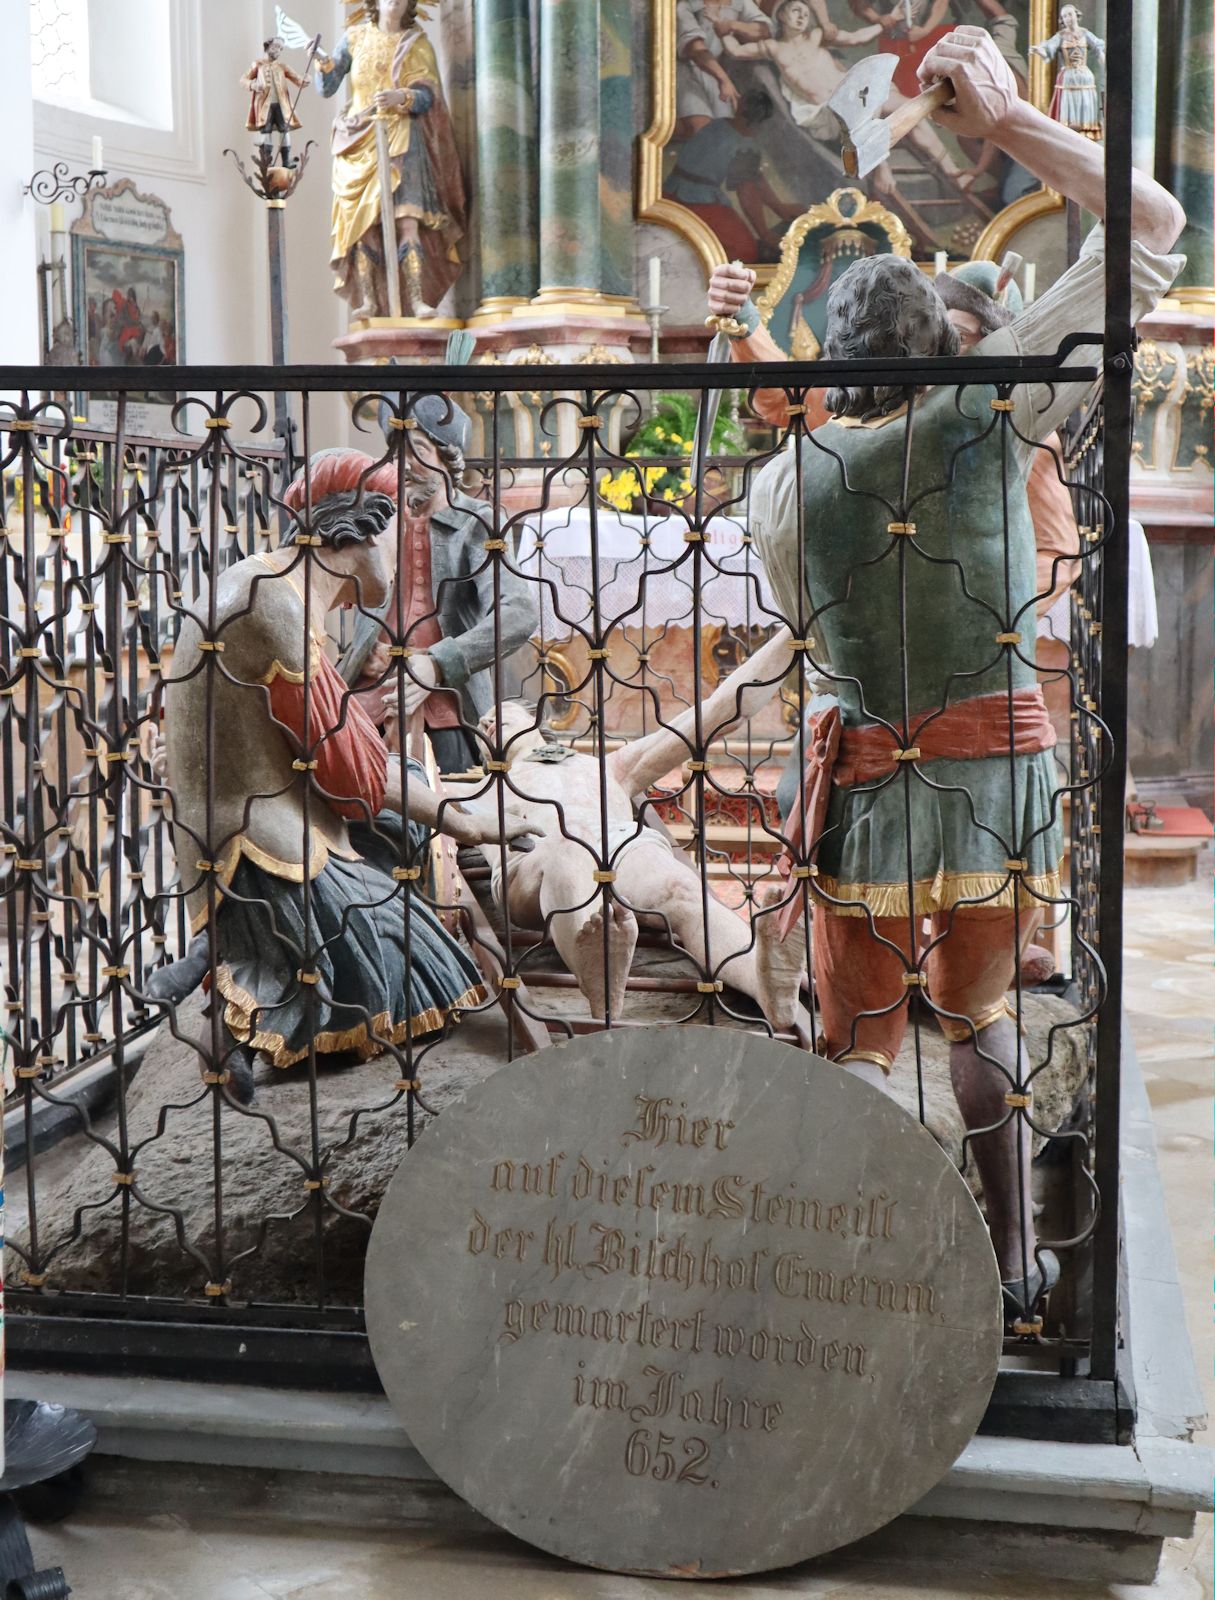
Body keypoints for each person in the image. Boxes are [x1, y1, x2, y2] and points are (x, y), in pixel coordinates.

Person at [705, 26, 1184, 1315]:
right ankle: (1017, 1258)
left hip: (859, 782)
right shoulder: (988, 412)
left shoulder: (779, 488)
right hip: (993, 771)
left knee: (851, 1047)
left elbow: (805, 636)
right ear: (938, 338)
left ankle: (824, 1261)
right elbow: (1150, 221)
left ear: (833, 358)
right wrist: (1011, 125)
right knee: (977, 1028)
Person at [156, 449, 533, 1102]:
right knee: (419, 964)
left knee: (406, 826)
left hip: (251, 816)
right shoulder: (275, 612)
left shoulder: (260, 580)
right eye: (399, 525)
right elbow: (354, 779)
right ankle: (238, 997)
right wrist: (465, 822)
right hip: (265, 844)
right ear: (360, 535)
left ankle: (215, 959)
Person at [467, 628, 807, 1037]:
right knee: (566, 847)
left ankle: (762, 980)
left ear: (536, 722)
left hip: (620, 844)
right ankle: (597, 967)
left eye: (500, 716)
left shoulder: (608, 766)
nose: (486, 723)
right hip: (536, 861)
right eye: (484, 725)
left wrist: (792, 630)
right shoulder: (481, 785)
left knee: (681, 889)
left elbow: (719, 710)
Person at [337, 403, 539, 776]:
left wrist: (437, 663)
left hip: (446, 698)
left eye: (417, 450)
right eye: (395, 451)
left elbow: (519, 612)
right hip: (368, 691)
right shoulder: (377, 521)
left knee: (453, 795)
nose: (403, 463)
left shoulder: (478, 522)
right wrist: (362, 650)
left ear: (447, 459)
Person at [316, 0, 466, 320]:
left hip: (403, 141)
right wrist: (320, 61)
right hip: (358, 140)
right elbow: (327, 87)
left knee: (408, 221)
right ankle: (368, 301)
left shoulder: (417, 42)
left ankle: (416, 300)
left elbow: (429, 96)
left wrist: (403, 96)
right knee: (364, 226)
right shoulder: (354, 39)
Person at [1031, 5, 1104, 140]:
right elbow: (1048, 48)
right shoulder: (1060, 36)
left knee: (1086, 104)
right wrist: (1038, 50)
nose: (1068, 19)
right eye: (1064, 16)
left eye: (1070, 15)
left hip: (1084, 76)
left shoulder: (1085, 34)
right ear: (1062, 20)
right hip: (1068, 77)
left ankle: (1086, 132)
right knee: (1069, 106)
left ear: (1076, 15)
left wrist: (1103, 61)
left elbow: (1098, 47)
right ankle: (1069, 134)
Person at [240, 35, 307, 168]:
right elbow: (243, 79)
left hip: (281, 106)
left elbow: (298, 80)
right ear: (268, 46)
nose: (278, 51)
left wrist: (304, 80)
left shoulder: (282, 67)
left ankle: (286, 160)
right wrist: (253, 85)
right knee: (266, 131)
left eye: (281, 49)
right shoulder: (258, 65)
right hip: (265, 106)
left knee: (285, 130)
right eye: (276, 47)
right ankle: (267, 162)